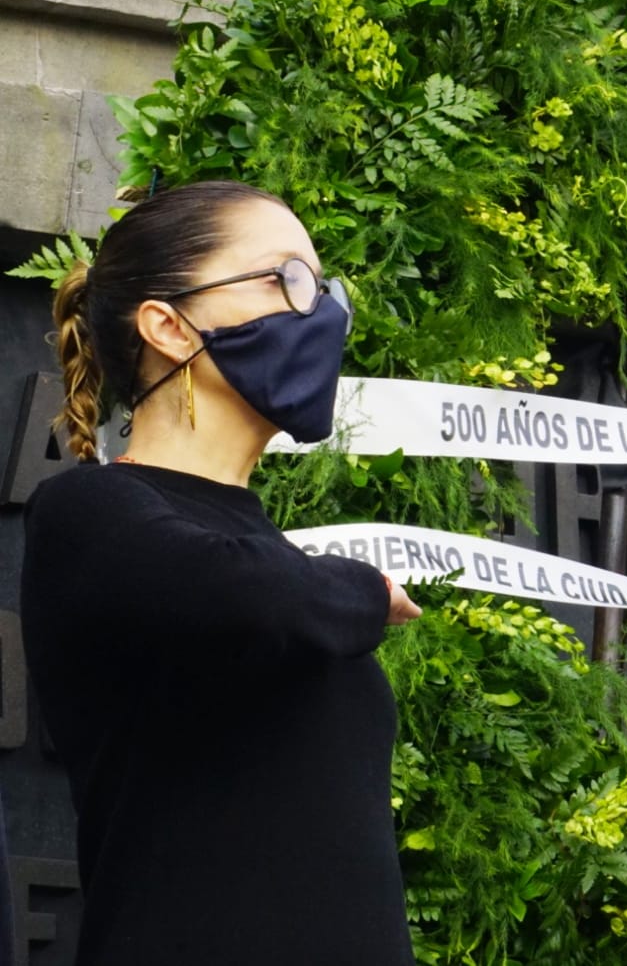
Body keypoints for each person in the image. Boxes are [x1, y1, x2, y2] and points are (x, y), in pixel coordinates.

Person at [19, 181, 422, 965]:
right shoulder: (89, 512)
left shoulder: (269, 556)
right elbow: (252, 600)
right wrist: (365, 588)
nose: (323, 314)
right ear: (168, 326)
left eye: (324, 286)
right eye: (289, 281)